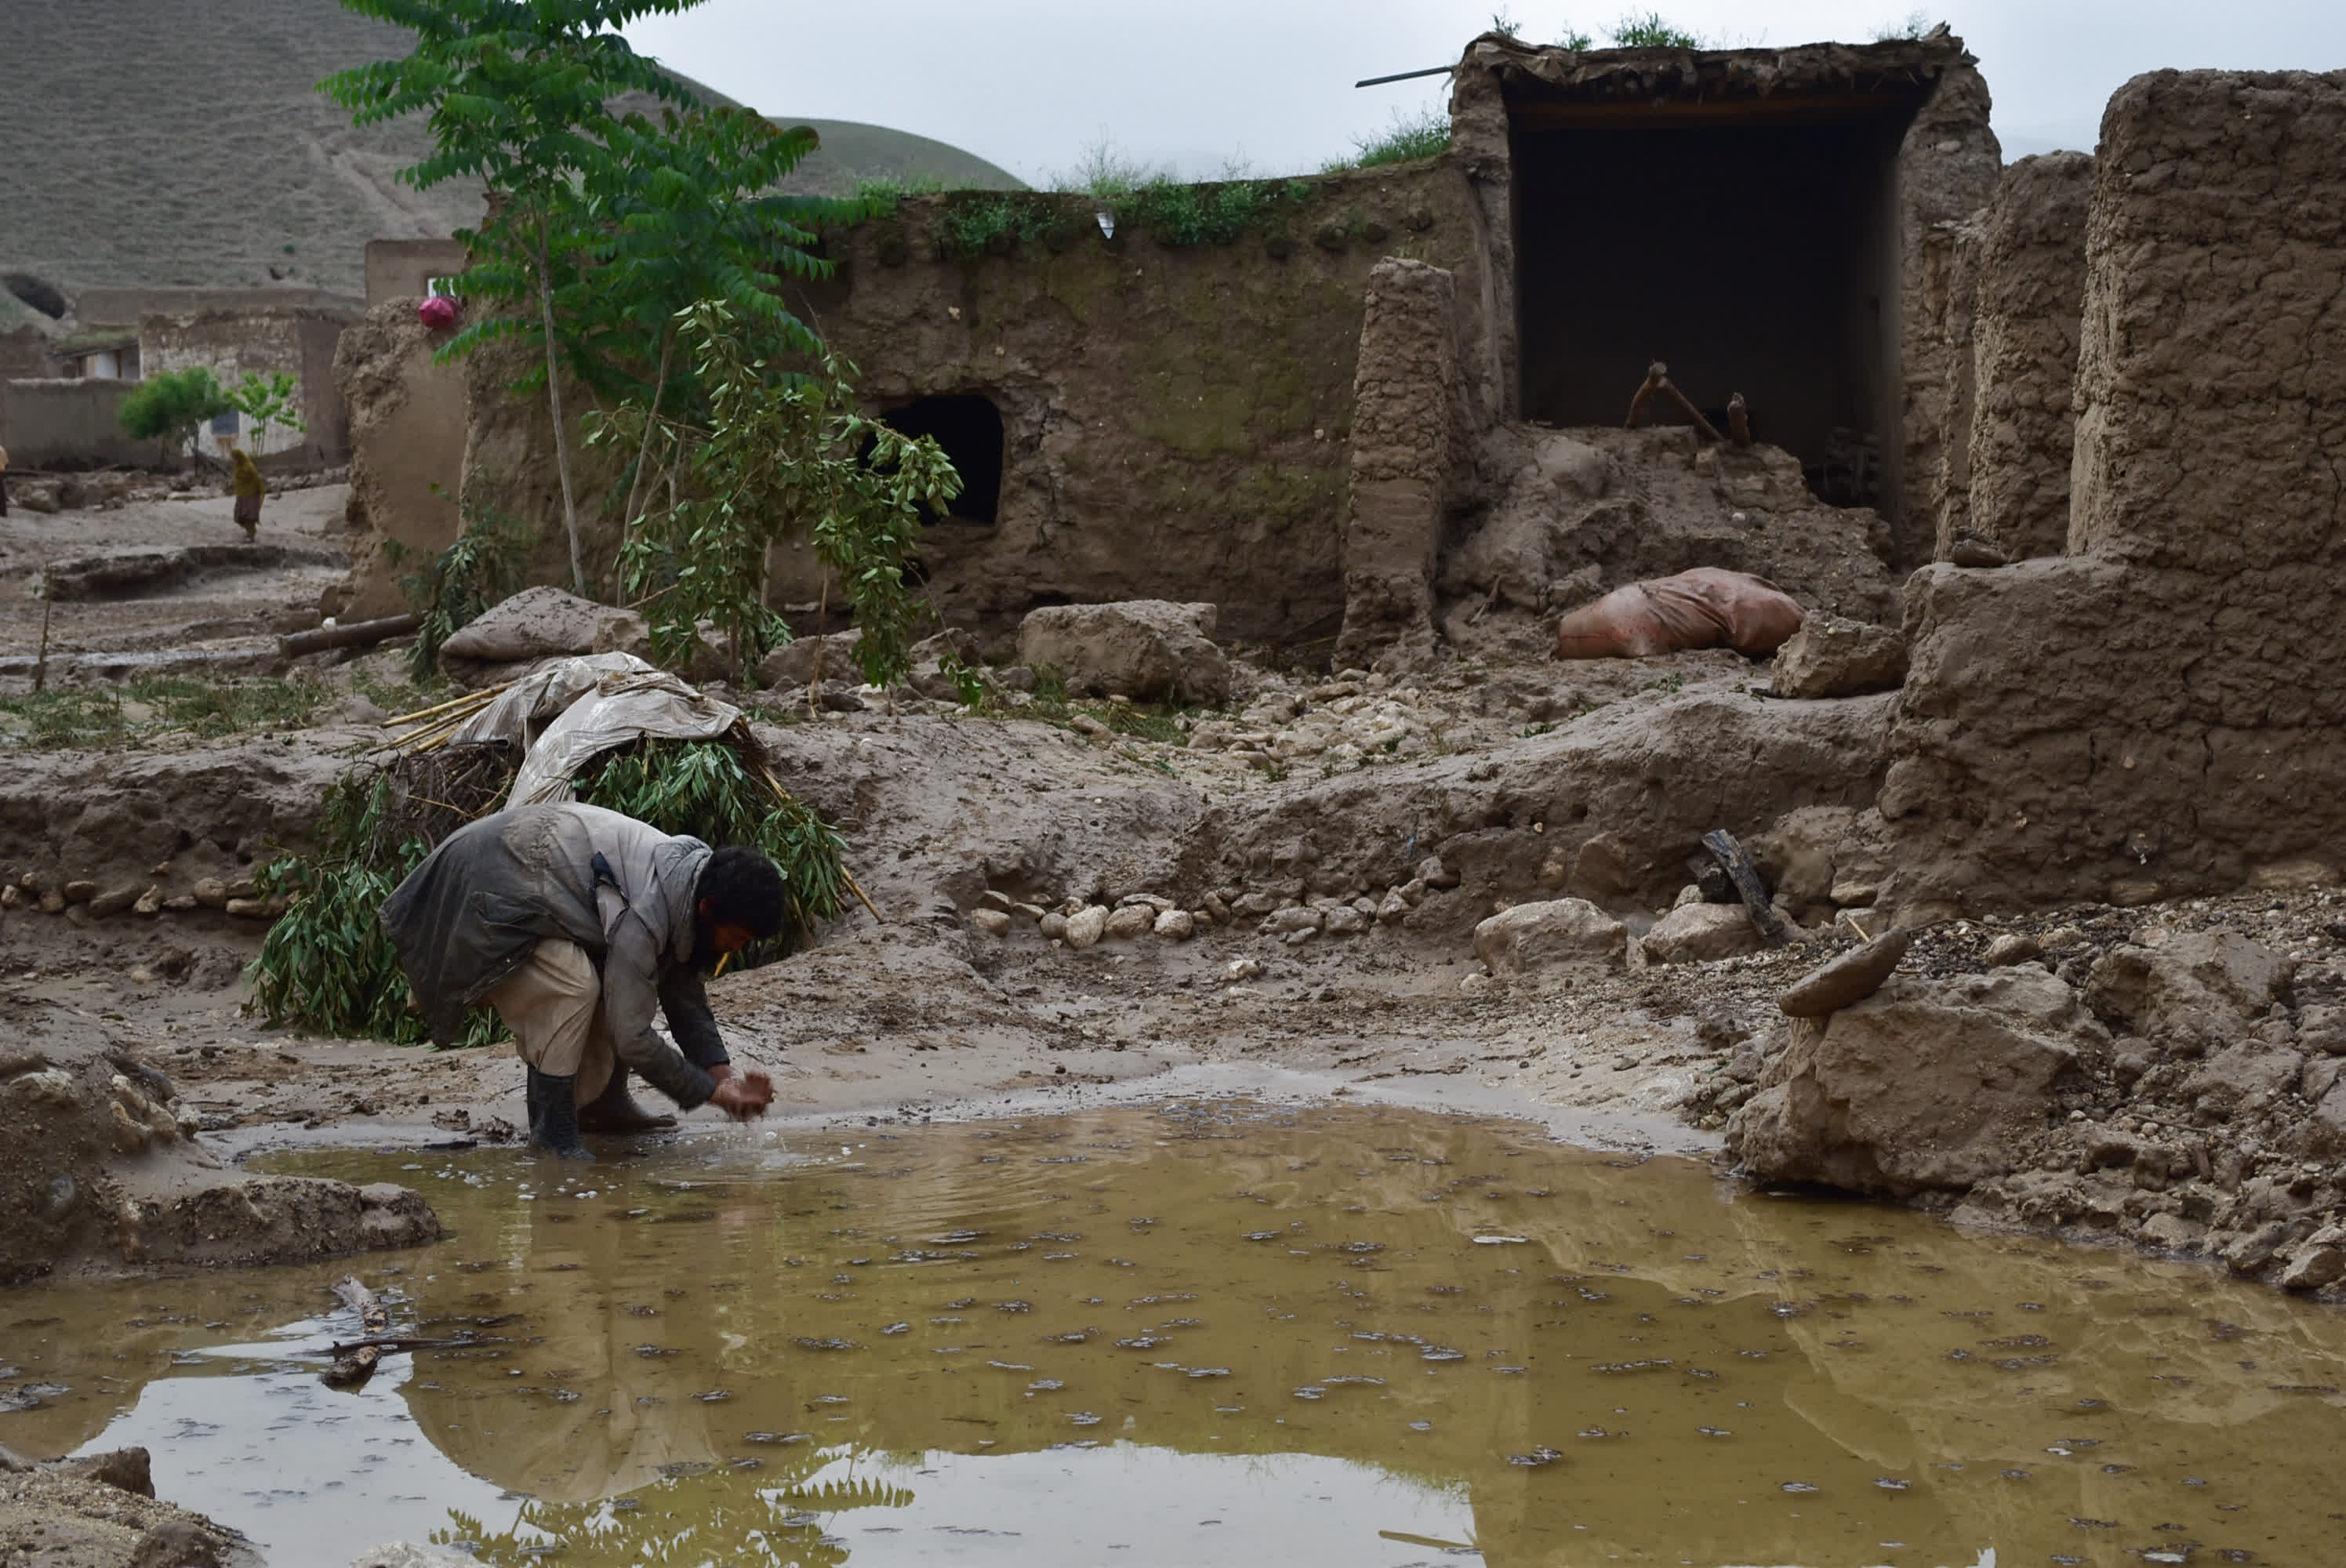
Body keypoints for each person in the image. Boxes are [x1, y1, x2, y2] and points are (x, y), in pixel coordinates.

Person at [381, 801, 780, 1159]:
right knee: (573, 986)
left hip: (523, 879)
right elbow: (633, 1038)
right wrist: (711, 1092)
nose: (738, 948)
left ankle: (601, 1107)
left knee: (617, 982)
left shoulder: (689, 884)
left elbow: (683, 992)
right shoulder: (647, 910)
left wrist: (725, 1077)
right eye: (739, 937)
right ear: (708, 908)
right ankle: (551, 1132)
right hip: (475, 894)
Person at [230, 447, 263, 538]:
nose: (233, 460)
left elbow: (257, 479)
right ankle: (250, 532)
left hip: (251, 495)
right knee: (238, 516)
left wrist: (260, 492)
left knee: (249, 517)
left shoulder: (249, 466)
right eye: (233, 458)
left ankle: (251, 535)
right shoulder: (238, 466)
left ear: (239, 457)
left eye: (235, 458)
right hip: (241, 495)